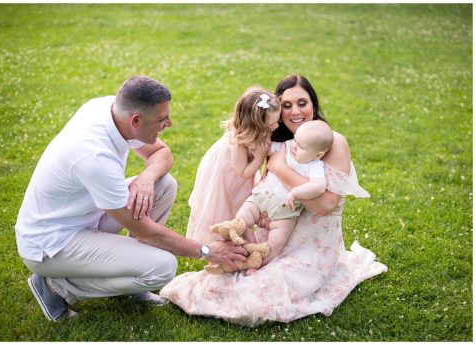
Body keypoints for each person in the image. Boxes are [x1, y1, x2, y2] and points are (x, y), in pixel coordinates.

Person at [13, 76, 248, 322]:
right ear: (136, 120)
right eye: (162, 119)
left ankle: (131, 280)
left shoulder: (110, 109)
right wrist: (207, 250)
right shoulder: (94, 156)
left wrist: (146, 177)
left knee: (163, 185)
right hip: (52, 244)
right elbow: (147, 232)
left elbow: (161, 153)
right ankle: (54, 287)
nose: (169, 123)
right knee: (163, 268)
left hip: (85, 217)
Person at [159, 75, 387, 326]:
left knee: (254, 297)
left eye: (302, 103)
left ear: (314, 104)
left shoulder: (332, 142)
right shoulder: (277, 143)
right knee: (220, 283)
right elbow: (262, 188)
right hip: (277, 235)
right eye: (287, 105)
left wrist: (280, 169)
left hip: (312, 244)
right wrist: (265, 213)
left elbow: (324, 206)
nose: (295, 111)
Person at [232, 120, 333, 274]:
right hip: (261, 197)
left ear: (318, 155)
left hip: (284, 212)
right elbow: (264, 147)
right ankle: (250, 248)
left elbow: (318, 186)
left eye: (301, 147)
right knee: (241, 218)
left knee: (277, 243)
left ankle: (258, 262)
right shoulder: (285, 146)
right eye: (295, 140)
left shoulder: (314, 166)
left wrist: (296, 193)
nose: (294, 146)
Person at [185, 87, 281, 244]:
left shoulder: (256, 132)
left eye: (277, 122)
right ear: (255, 125)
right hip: (226, 176)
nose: (276, 127)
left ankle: (239, 237)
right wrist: (259, 157)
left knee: (239, 204)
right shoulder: (237, 141)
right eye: (271, 124)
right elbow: (243, 172)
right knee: (222, 207)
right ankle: (219, 242)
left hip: (238, 177)